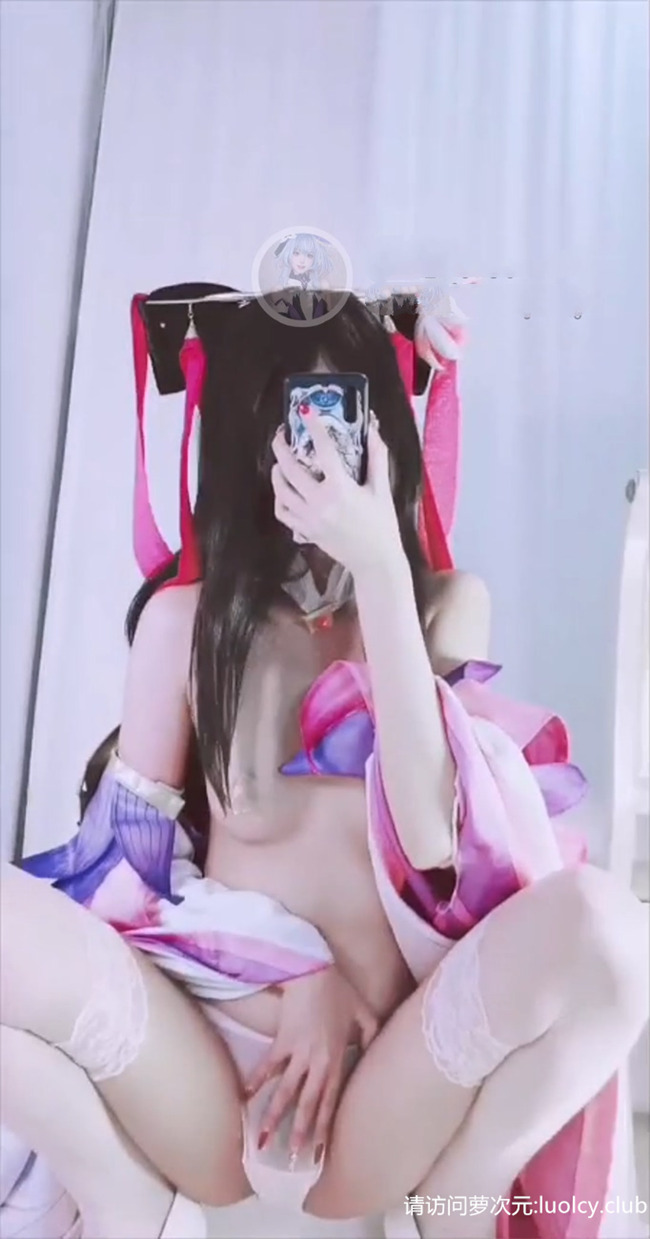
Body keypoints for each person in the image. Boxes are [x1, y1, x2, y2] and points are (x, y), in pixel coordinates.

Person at [1, 290, 648, 1239]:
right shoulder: (187, 624)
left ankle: (460, 1198)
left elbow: (432, 836)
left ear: (381, 429)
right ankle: (120, 1193)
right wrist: (301, 975)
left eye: (341, 412)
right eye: (290, 415)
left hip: (386, 1089)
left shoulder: (439, 608)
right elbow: (123, 880)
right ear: (245, 435)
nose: (318, 448)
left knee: (611, 933)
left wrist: (381, 568)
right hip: (205, 1075)